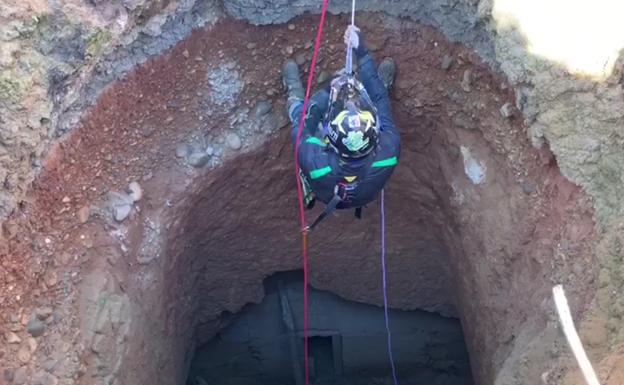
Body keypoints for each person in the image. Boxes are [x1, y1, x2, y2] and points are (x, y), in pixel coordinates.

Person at [283, 25, 400, 229]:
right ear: (374, 138)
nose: (351, 102)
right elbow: (380, 100)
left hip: (326, 191)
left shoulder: (315, 158)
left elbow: (302, 126)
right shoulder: (389, 150)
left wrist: (329, 91)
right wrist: (361, 52)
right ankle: (379, 83)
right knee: (377, 102)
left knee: (298, 112)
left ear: (330, 141)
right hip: (365, 192)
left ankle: (293, 92)